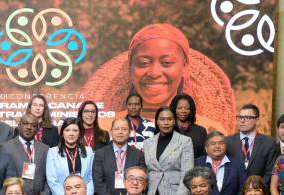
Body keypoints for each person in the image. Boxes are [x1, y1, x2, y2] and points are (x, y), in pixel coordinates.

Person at [80, 23, 235, 133]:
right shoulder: (103, 129)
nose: (154, 73)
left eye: (166, 62)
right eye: (143, 63)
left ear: (185, 68)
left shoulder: (208, 131)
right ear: (129, 70)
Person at [142, 106, 193, 195]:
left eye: (169, 119)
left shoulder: (185, 141)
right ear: (157, 122)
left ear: (174, 121)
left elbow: (187, 174)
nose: (166, 122)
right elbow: (145, 171)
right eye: (162, 119)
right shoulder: (148, 143)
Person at [0, 113, 51, 195]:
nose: (29, 127)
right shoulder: (6, 148)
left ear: (37, 129)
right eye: (25, 123)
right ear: (19, 126)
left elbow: (50, 176)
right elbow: (2, 178)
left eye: (33, 125)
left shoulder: (45, 149)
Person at [93, 118, 146, 195]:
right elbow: (98, 183)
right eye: (116, 129)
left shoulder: (138, 155)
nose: (120, 132)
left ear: (129, 132)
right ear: (111, 132)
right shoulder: (100, 154)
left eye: (124, 129)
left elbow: (141, 180)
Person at [46, 118, 95, 195]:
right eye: (67, 130)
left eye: (75, 130)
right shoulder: (52, 152)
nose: (71, 134)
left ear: (79, 133)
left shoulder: (89, 151)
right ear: (62, 133)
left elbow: (92, 178)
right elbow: (52, 180)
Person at [227, 104, 278, 185]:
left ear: (257, 120)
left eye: (247, 117)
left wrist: (257, 188)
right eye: (240, 117)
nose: (242, 121)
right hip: (233, 192)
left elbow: (270, 172)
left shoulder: (269, 143)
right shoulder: (228, 141)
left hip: (259, 191)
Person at [195, 131, 246, 195]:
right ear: (206, 148)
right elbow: (191, 188)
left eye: (221, 143)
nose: (217, 146)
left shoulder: (238, 164)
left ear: (226, 146)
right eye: (213, 144)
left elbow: (243, 188)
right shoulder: (197, 163)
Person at [171, 94, 207, 158]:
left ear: (191, 110)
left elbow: (203, 157)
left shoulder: (201, 131)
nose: (183, 111)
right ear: (174, 109)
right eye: (179, 108)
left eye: (187, 108)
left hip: (195, 167)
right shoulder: (168, 129)